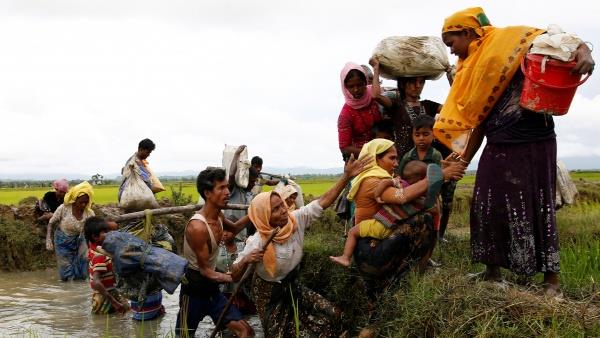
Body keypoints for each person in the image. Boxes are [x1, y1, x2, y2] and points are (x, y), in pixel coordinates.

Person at [435, 7, 594, 294]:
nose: (453, 52)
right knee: (486, 203)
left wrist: (584, 53)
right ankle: (492, 272)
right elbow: (479, 122)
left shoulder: (512, 40)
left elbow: (561, 38)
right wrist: (462, 160)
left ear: (467, 31)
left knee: (539, 205)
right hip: (498, 142)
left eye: (452, 43)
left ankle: (551, 282)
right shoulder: (472, 67)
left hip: (534, 140)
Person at [230, 154, 370, 337]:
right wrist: (246, 260)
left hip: (291, 284)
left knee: (335, 316)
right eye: (276, 209)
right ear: (264, 216)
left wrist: (346, 176)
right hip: (268, 294)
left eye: (282, 206)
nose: (283, 212)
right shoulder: (257, 242)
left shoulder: (296, 220)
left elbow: (324, 201)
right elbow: (234, 275)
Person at [175, 168, 257, 338]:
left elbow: (234, 229)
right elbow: (205, 270)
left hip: (212, 290)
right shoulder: (197, 227)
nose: (227, 192)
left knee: (246, 332)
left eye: (227, 187)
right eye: (221, 188)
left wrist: (254, 211)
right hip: (194, 291)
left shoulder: (218, 216)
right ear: (207, 193)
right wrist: (232, 276)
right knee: (183, 336)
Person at [330, 159, 429, 267]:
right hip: (396, 228)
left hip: (382, 225)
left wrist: (383, 188)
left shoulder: (400, 185)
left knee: (353, 232)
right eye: (392, 158)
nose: (396, 163)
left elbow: (388, 187)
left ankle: (345, 257)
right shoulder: (423, 195)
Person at [337, 62, 392, 161]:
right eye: (351, 86)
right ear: (345, 87)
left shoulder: (376, 95)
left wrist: (376, 69)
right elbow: (344, 148)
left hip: (387, 154)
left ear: (366, 82)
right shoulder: (346, 114)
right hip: (363, 161)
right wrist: (372, 153)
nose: (356, 90)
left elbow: (391, 106)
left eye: (360, 85)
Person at [45, 181, 95, 281]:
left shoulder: (89, 213)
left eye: (86, 202)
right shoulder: (63, 208)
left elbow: (93, 229)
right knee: (65, 270)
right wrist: (48, 239)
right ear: (75, 200)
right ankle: (68, 289)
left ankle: (81, 288)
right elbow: (51, 223)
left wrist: (93, 246)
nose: (84, 205)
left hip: (80, 239)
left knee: (84, 260)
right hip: (62, 241)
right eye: (81, 202)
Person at [84, 216, 129, 315]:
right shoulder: (99, 256)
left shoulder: (97, 249)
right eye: (106, 232)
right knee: (103, 325)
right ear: (95, 236)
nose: (111, 234)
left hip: (111, 292)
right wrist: (114, 302)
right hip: (104, 296)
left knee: (124, 314)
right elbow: (96, 282)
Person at [118, 138, 162, 202]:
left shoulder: (141, 162)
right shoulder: (134, 162)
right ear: (140, 149)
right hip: (131, 194)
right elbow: (145, 179)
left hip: (134, 195)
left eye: (149, 153)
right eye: (147, 152)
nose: (148, 155)